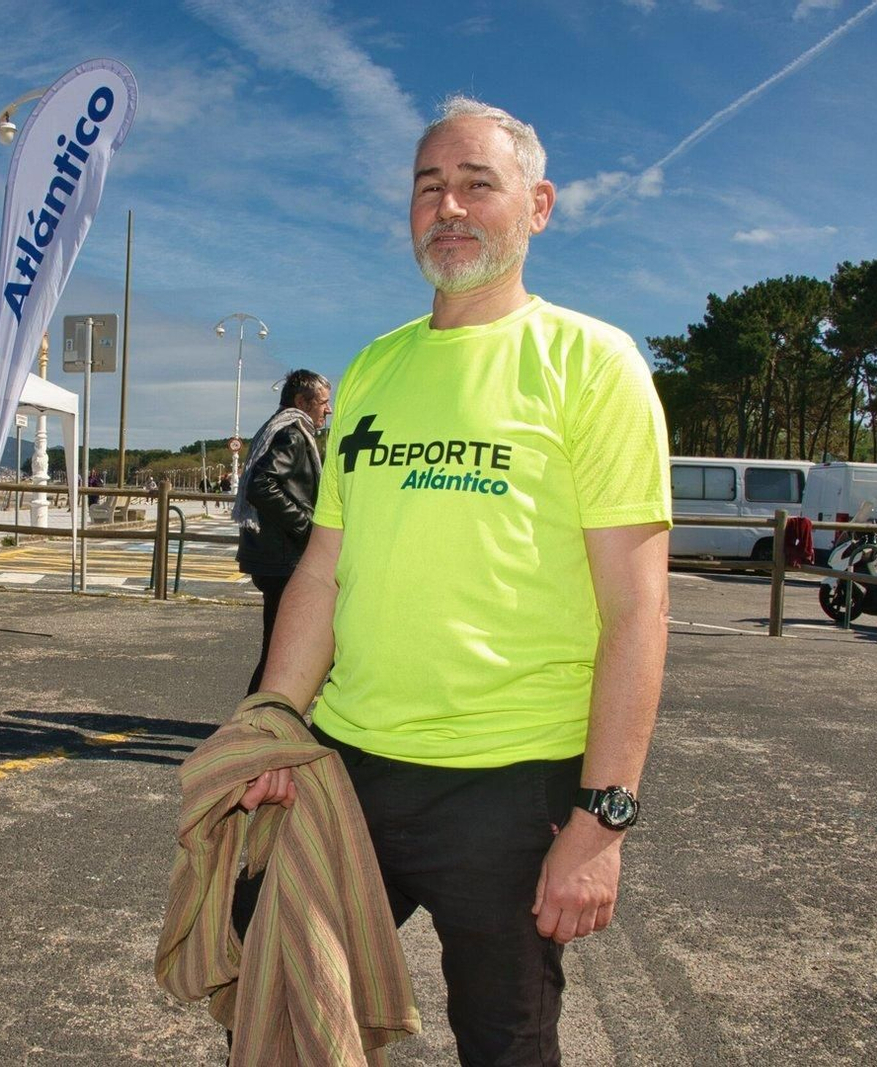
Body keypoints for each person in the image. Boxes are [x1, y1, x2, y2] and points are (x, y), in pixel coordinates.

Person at [236, 96, 672, 1065]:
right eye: (429, 186)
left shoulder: (592, 365)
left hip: (513, 787)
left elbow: (638, 606)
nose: (450, 206)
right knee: (275, 1010)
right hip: (349, 766)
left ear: (539, 205)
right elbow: (323, 567)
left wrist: (603, 817)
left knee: (506, 1042)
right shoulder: (378, 367)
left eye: (478, 182)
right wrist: (273, 714)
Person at [234, 369, 332, 695]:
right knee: (281, 652)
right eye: (323, 402)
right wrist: (306, 525)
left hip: (272, 556)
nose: (328, 410)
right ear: (301, 401)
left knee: (279, 650)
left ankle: (254, 722)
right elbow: (261, 485)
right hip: (284, 559)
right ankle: (251, 725)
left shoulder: (278, 427)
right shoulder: (291, 434)